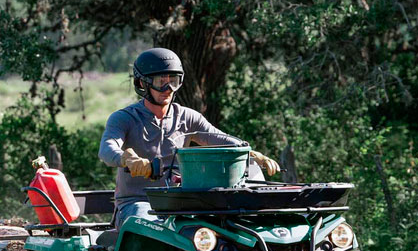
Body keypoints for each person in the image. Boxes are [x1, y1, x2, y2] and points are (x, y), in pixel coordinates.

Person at [98, 47, 281, 225]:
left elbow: (218, 137)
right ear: (142, 84)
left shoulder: (187, 117)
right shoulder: (124, 118)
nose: (168, 88)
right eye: (161, 81)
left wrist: (248, 151)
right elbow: (107, 149)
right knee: (148, 225)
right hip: (136, 204)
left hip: (181, 203)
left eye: (174, 81)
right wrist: (127, 160)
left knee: (221, 226)